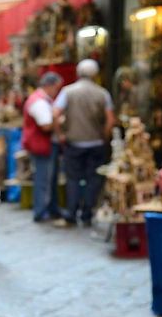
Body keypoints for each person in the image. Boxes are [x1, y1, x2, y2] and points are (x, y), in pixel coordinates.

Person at [53, 59, 115, 227]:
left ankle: (71, 213)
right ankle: (87, 213)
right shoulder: (103, 93)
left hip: (74, 143)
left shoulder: (68, 92)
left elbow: (55, 113)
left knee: (73, 179)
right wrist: (104, 136)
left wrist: (61, 134)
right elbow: (110, 120)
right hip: (95, 143)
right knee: (93, 179)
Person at [22, 72, 63, 222]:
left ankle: (50, 208)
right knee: (43, 179)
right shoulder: (39, 102)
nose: (57, 92)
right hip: (42, 146)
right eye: (56, 88)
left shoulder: (41, 100)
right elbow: (45, 125)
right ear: (49, 86)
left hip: (43, 145)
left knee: (47, 178)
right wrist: (58, 120)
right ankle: (41, 211)